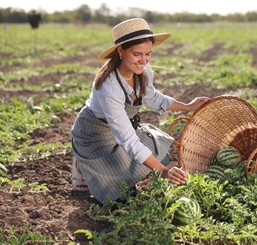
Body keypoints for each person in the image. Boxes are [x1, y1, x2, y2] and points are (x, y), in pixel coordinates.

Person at [71, 18, 209, 203]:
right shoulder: (108, 87)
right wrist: (163, 171)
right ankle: (83, 165)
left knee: (162, 156)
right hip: (94, 135)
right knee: (121, 198)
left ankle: (113, 170)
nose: (143, 60)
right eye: (137, 54)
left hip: (119, 132)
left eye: (148, 54)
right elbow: (128, 140)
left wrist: (187, 106)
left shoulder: (143, 71)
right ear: (121, 51)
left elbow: (151, 98)